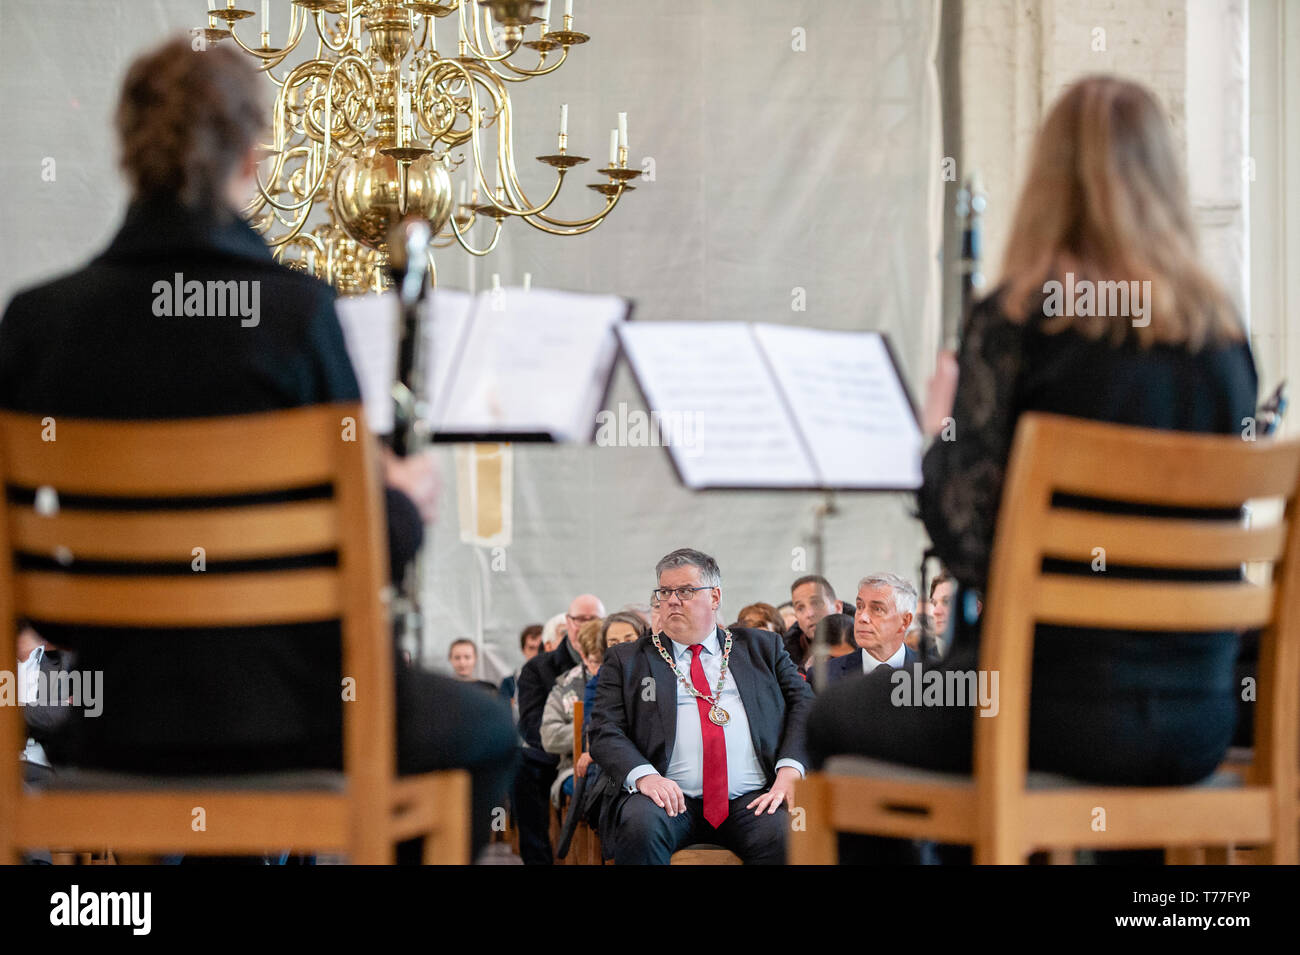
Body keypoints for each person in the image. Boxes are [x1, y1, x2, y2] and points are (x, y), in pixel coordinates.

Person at [0, 37, 517, 860]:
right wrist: (403, 499)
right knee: (488, 732)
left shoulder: (36, 323)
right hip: (297, 714)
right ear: (252, 157)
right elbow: (375, 550)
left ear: (130, 154)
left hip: (108, 717)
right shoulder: (296, 315)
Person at [808, 77, 1258, 840]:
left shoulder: (1018, 321)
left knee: (831, 716)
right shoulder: (1222, 340)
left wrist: (937, 435)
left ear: (1048, 184)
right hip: (1196, 716)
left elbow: (972, 550)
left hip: (1040, 707)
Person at [589, 548, 814, 865]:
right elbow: (603, 729)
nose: (672, 600)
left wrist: (791, 768)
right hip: (665, 798)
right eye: (665, 591)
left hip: (751, 797)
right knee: (640, 824)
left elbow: (805, 704)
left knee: (785, 832)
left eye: (685, 591)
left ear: (715, 597)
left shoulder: (762, 648)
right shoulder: (628, 659)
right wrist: (645, 777)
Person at [513, 593, 605, 864]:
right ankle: (538, 857)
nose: (586, 624)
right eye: (580, 619)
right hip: (549, 754)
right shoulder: (538, 668)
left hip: (602, 753)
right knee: (521, 766)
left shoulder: (618, 662)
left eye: (594, 619)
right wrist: (582, 741)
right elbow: (531, 726)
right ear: (568, 622)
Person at [541, 620, 605, 806]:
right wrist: (590, 730)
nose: (600, 669)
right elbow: (549, 737)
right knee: (596, 789)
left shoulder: (624, 680)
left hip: (616, 766)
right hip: (574, 768)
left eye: (605, 661)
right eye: (594, 662)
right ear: (583, 656)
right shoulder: (564, 686)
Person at [821, 575, 922, 686]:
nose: (862, 617)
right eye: (860, 606)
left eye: (877, 609)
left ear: (905, 621)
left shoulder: (933, 673)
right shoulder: (824, 675)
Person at [783, 575, 847, 673]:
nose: (809, 614)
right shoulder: (784, 661)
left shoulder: (866, 648)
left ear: (838, 607)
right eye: (800, 608)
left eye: (816, 603)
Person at [499, 624, 543, 709]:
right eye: (531, 648)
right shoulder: (509, 683)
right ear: (523, 649)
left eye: (540, 648)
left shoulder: (558, 681)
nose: (536, 653)